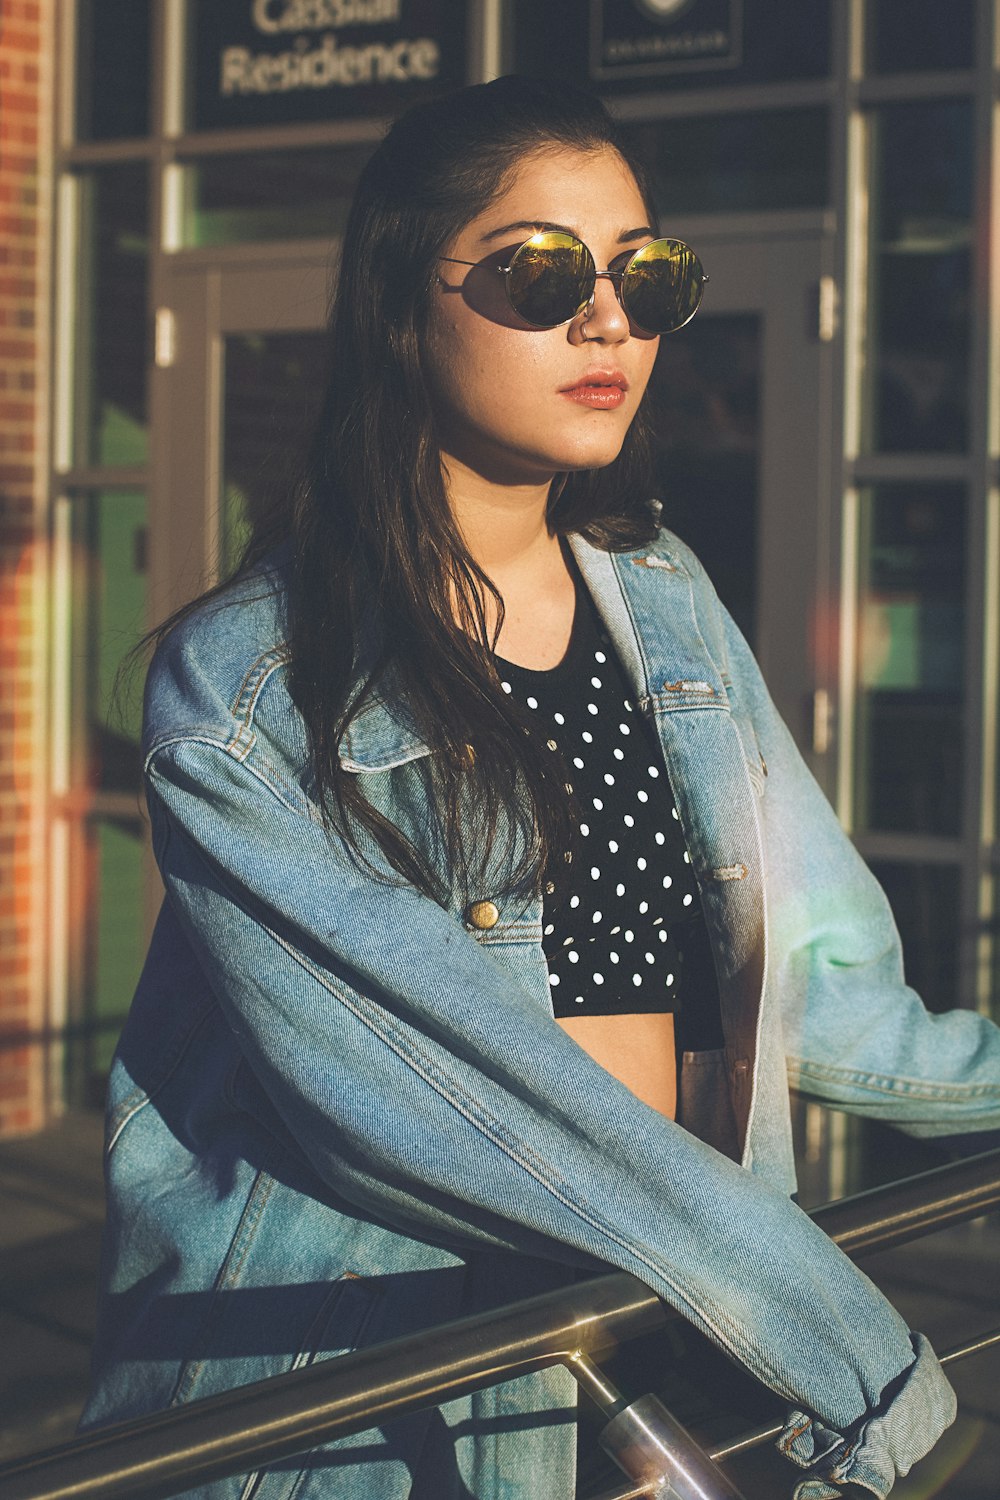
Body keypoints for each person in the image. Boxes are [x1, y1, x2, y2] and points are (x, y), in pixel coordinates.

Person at [82, 76, 1000, 1499]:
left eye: (644, 273)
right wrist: (838, 1351)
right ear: (404, 298)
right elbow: (446, 1093)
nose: (609, 318)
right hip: (371, 1411)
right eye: (541, 270)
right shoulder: (250, 685)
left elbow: (815, 985)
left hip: (654, 1362)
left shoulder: (665, 598)